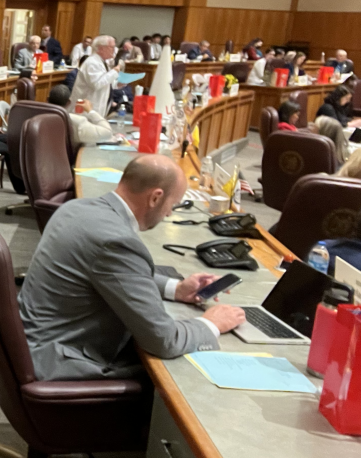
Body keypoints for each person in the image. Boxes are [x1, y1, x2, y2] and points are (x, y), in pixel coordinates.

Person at [19, 155, 246, 380]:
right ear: (155, 198)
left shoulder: (76, 208)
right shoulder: (116, 242)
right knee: (183, 380)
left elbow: (116, 273)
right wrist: (211, 323)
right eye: (172, 205)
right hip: (61, 361)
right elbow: (164, 340)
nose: (169, 214)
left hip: (33, 341)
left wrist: (176, 289)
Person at [69, 34, 122, 117]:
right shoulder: (92, 63)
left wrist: (117, 84)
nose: (114, 50)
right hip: (85, 112)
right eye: (111, 47)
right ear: (101, 48)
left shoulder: (102, 62)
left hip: (95, 109)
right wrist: (115, 71)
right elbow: (96, 84)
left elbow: (104, 81)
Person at [48, 85, 113, 146]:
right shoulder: (77, 122)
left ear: (47, 99)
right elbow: (107, 133)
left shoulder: (39, 115)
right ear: (69, 102)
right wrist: (90, 111)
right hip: (69, 157)